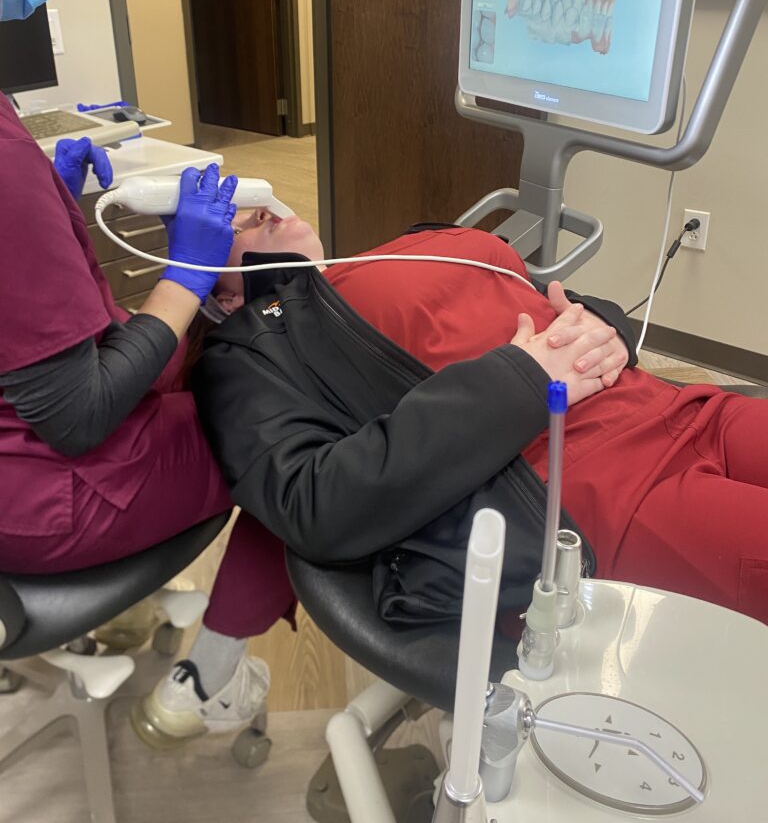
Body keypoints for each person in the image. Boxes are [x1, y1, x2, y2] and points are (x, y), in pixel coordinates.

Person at [0, 0, 294, 749]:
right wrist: (187, 271)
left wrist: (47, 206)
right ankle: (206, 680)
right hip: (48, 494)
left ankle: (136, 618)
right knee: (292, 438)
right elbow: (78, 412)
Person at [193, 209, 768, 627]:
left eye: (248, 202)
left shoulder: (412, 239)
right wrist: (521, 378)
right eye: (232, 225)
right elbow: (315, 503)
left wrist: (603, 325)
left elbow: (535, 298)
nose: (256, 211)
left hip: (679, 409)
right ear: (220, 299)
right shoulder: (256, 346)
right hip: (608, 492)